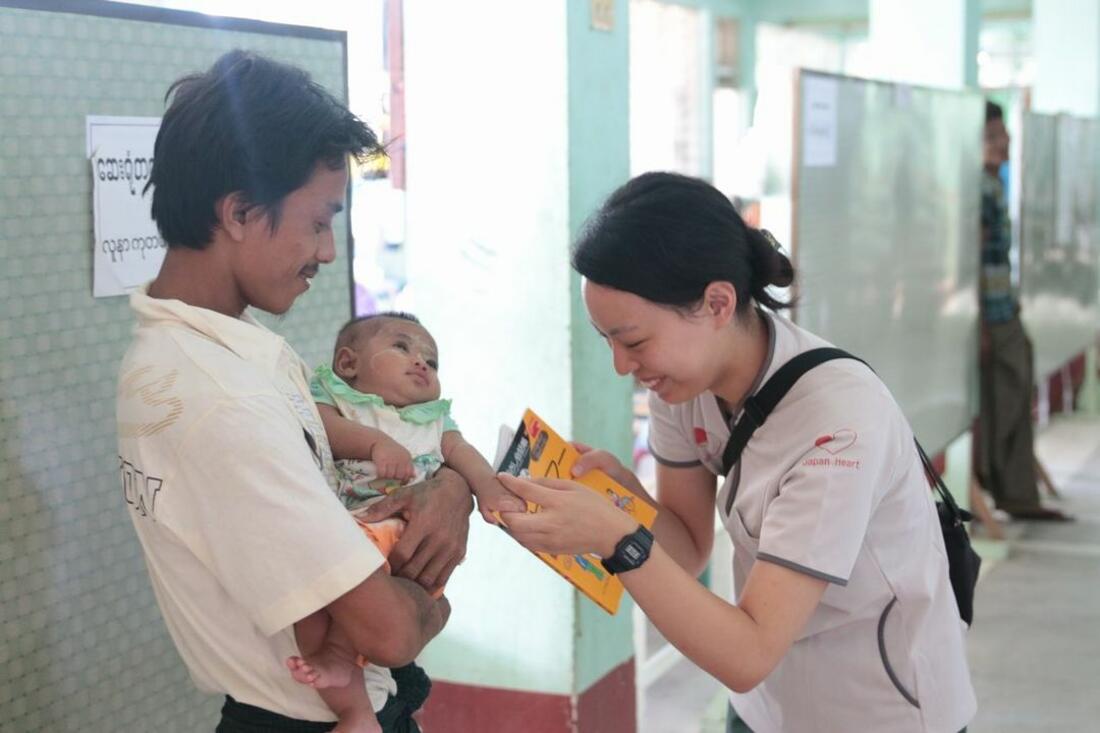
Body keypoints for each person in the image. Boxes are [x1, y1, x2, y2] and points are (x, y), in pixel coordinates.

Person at [116, 50, 513, 733]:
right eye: (319, 220)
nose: (328, 253)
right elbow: (389, 632)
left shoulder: (203, 351)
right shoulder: (224, 398)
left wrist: (448, 485)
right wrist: (436, 605)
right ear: (239, 211)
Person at [498, 172, 977, 732]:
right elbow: (689, 546)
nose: (622, 367)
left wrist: (616, 537)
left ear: (718, 302)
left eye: (633, 341)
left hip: (873, 708)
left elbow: (747, 655)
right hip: (766, 705)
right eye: (607, 340)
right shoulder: (683, 385)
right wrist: (621, 500)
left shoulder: (839, 427)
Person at [287, 311, 519, 731]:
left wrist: (489, 489)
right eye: (401, 347)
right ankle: (356, 709)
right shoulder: (336, 397)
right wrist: (376, 442)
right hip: (351, 529)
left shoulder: (433, 420)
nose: (420, 362)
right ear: (348, 363)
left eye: (431, 360)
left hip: (406, 536)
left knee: (361, 609)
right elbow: (322, 427)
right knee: (309, 608)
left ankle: (345, 672)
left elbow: (462, 453)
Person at [976, 101, 1070, 521]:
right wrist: (980, 319)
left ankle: (1017, 490)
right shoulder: (984, 187)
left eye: (1002, 134)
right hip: (993, 317)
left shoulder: (994, 183)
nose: (1003, 143)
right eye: (992, 137)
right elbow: (974, 258)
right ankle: (1011, 491)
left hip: (1002, 309)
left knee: (1015, 395)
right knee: (1008, 399)